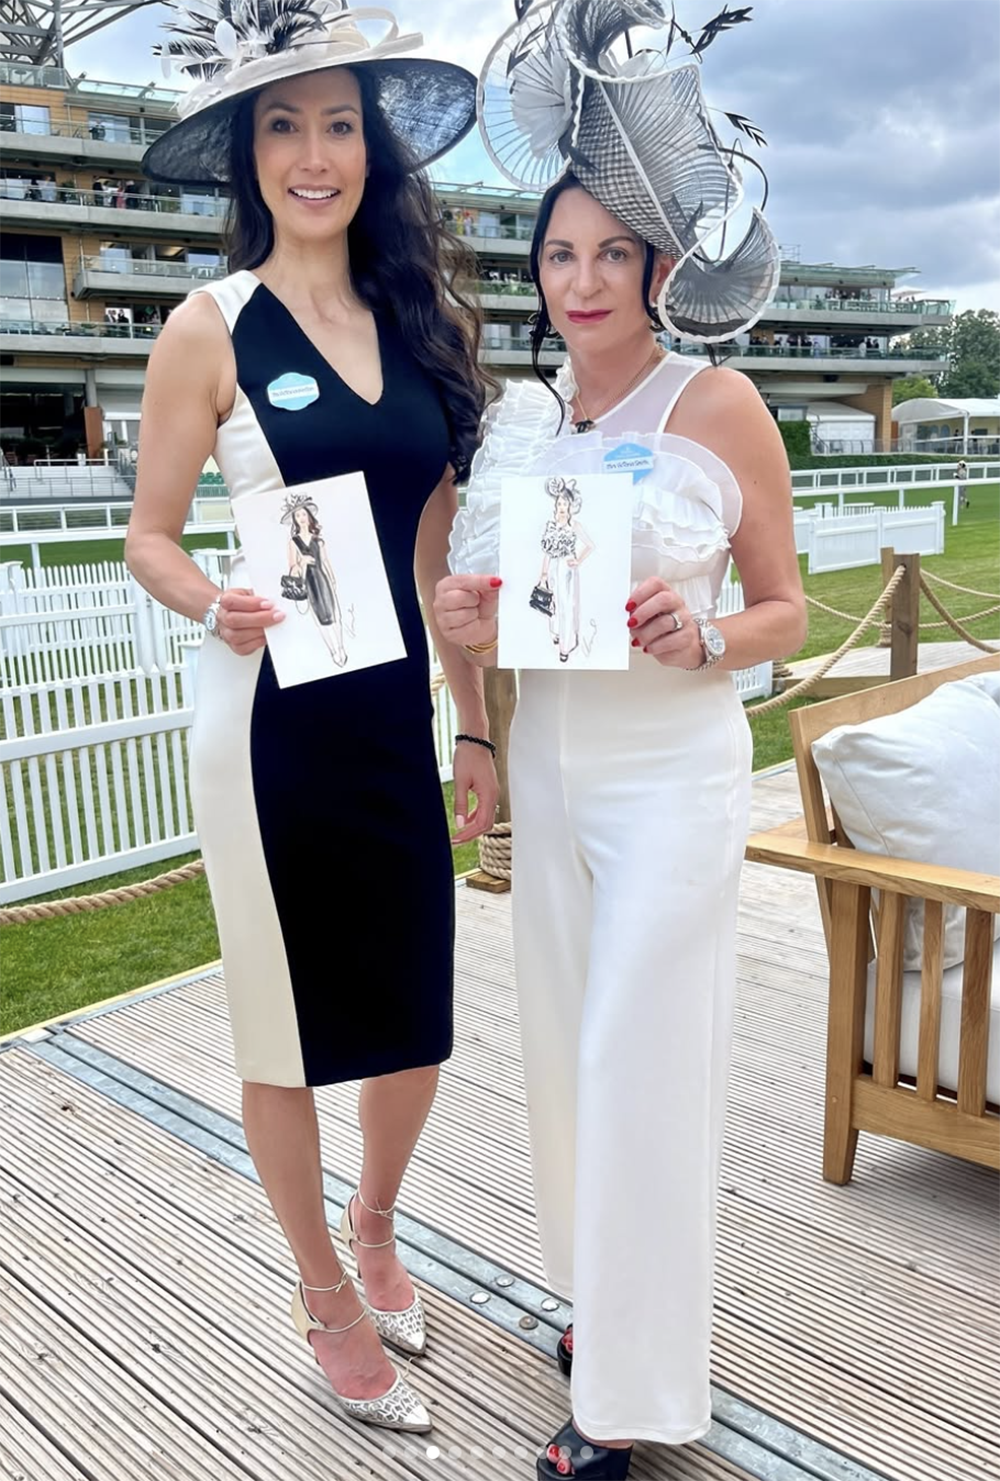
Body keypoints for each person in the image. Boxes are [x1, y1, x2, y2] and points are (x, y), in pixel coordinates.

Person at [436, 4, 806, 1478]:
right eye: (556, 255)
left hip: (670, 780)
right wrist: (468, 627)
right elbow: (499, 622)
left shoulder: (716, 405)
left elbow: (782, 606)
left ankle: (629, 1409)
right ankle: (610, 1308)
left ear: (660, 266)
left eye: (609, 254)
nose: (581, 281)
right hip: (554, 769)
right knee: (566, 1065)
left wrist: (704, 634)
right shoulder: (524, 426)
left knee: (645, 1062)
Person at [126, 0, 497, 1437]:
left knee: (416, 1017)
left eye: (338, 122)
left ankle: (380, 1218)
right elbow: (149, 536)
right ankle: (324, 1296)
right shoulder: (208, 326)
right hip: (269, 722)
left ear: (372, 151)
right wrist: (205, 597)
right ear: (249, 156)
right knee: (282, 1027)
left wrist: (473, 720)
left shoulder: (417, 327)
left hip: (393, 717)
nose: (313, 152)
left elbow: (431, 555)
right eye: (283, 125)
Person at [284, 494, 348, 666]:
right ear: (294, 520)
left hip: (322, 578)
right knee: (320, 619)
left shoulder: (318, 540)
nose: (301, 518)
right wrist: (301, 562)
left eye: (303, 514)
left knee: (335, 615)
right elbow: (292, 568)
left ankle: (341, 647)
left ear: (309, 516)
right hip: (308, 581)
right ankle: (333, 651)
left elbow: (325, 561)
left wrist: (332, 579)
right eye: (297, 516)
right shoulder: (293, 542)